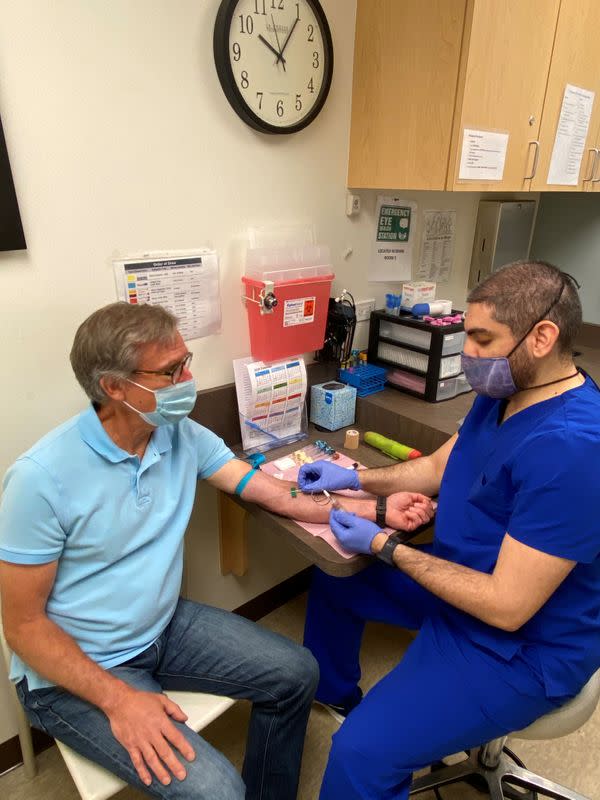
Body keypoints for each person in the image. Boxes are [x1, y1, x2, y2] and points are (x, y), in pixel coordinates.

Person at [0, 301, 433, 800]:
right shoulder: (41, 479)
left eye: (187, 361)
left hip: (160, 628)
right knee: (218, 791)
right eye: (171, 371)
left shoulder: (178, 433)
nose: (189, 378)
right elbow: (24, 628)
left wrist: (375, 510)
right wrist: (119, 701)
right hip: (79, 667)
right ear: (113, 388)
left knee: (298, 673)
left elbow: (272, 492)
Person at [297, 261, 600, 800]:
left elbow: (508, 605)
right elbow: (440, 467)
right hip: (461, 584)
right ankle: (342, 696)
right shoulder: (505, 392)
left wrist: (387, 548)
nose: (471, 355)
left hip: (518, 644)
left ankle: (377, 737)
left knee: (360, 756)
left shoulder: (573, 448)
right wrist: (356, 478)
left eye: (483, 339)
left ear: (543, 337)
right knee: (336, 581)